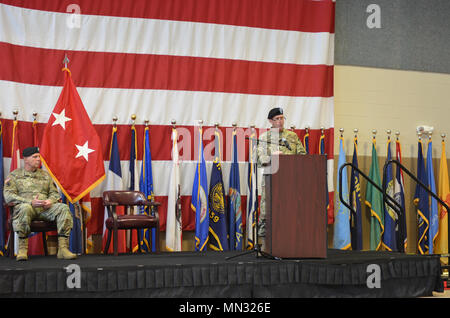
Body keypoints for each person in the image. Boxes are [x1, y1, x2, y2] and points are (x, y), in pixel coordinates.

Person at [4, 147, 76, 261]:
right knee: (25, 208)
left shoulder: (45, 175)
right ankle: (22, 249)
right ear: (26, 159)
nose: (38, 159)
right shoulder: (14, 176)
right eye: (35, 157)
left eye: (39, 157)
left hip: (45, 209)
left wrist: (50, 201)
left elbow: (54, 193)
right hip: (27, 208)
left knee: (63, 208)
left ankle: (63, 249)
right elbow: (8, 196)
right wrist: (30, 202)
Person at [256, 107, 306, 249]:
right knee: (267, 213)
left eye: (282, 118)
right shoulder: (264, 138)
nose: (280, 121)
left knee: (289, 213)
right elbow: (260, 159)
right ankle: (266, 247)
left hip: (290, 182)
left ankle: (288, 246)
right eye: (277, 119)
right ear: (270, 121)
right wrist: (273, 157)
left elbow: (303, 156)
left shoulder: (292, 137)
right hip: (271, 181)